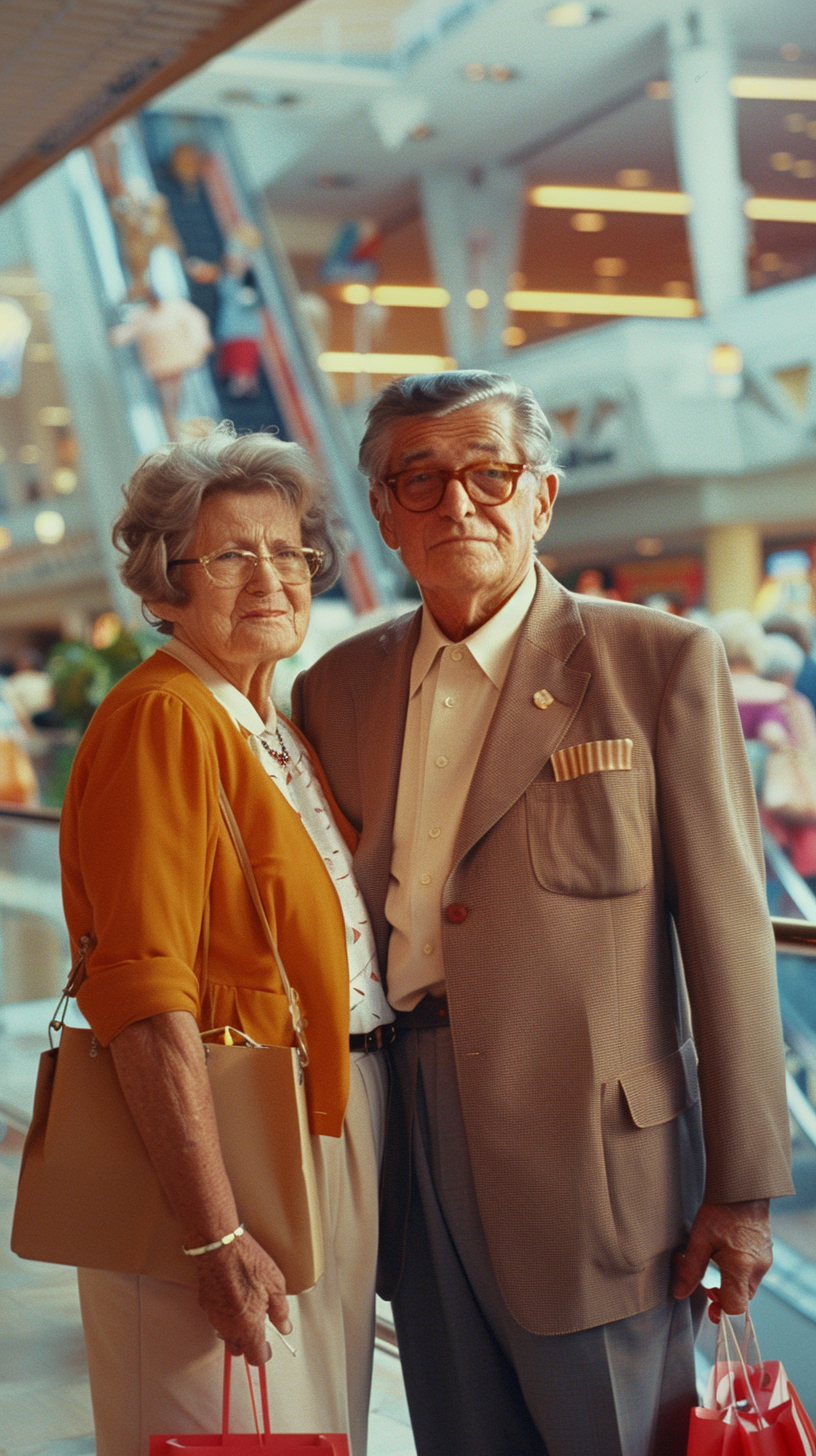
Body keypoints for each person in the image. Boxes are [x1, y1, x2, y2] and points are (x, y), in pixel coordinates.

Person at [292, 371, 793, 1456]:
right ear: (381, 511)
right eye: (417, 479)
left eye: (490, 473)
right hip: (408, 1128)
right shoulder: (333, 688)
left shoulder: (655, 661)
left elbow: (729, 932)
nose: (456, 503)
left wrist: (745, 1187)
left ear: (543, 497)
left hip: (600, 1155)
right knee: (457, 1429)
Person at [59, 425, 393, 1456]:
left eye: (288, 550)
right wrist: (211, 1227)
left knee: (312, 1425)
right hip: (228, 1142)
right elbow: (142, 987)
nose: (271, 577)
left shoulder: (268, 722)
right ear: (164, 588)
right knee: (230, 1424)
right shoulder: (164, 716)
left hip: (313, 1119)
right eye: (230, 555)